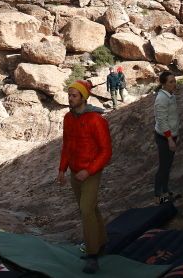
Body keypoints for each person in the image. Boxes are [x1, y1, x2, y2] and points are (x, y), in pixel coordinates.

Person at [56, 80, 112, 274]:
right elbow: (67, 146)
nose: (70, 99)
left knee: (86, 210)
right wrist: (62, 169)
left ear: (83, 97)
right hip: (74, 172)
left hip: (91, 172)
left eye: (74, 95)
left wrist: (88, 171)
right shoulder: (68, 118)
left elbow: (106, 151)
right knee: (91, 208)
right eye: (69, 95)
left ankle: (92, 255)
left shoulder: (97, 120)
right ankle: (102, 242)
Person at [154, 71, 179, 204]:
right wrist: (169, 139)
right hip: (164, 137)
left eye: (174, 81)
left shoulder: (170, 95)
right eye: (171, 82)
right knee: (163, 167)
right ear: (163, 84)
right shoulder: (162, 99)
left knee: (168, 165)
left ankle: (165, 190)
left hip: (171, 135)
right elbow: (162, 120)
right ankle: (158, 195)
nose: (174, 84)